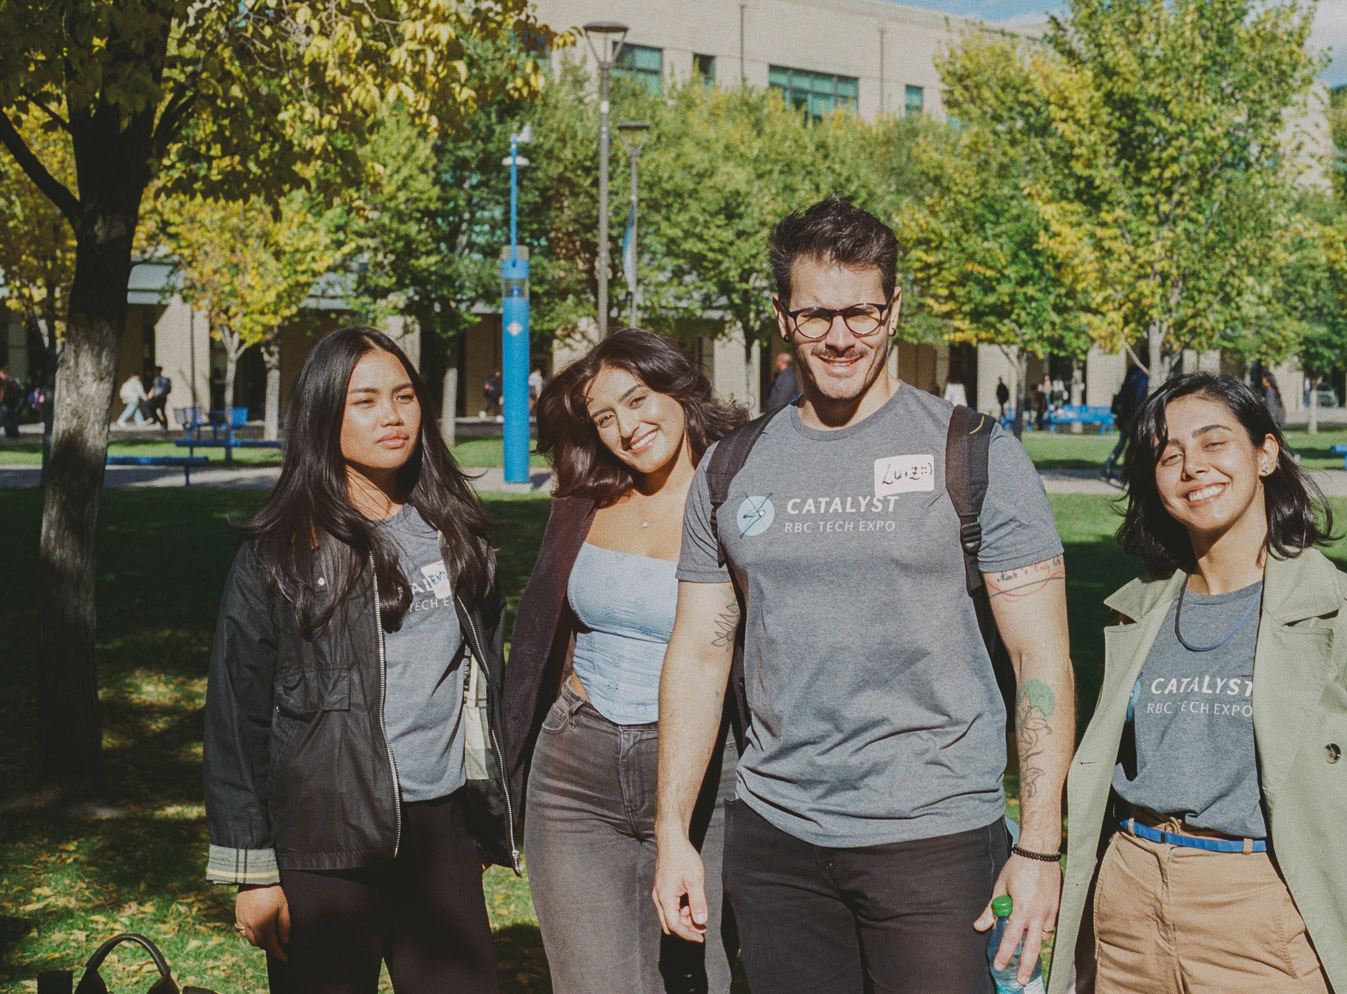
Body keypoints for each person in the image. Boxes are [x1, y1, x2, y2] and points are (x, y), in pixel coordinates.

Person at [652, 196, 1075, 994]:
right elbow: (700, 655)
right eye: (816, 316)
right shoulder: (731, 467)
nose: (840, 336)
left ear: (895, 309)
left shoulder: (975, 453)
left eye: (861, 312)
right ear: (782, 316)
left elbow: (1040, 655)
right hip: (778, 838)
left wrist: (1041, 845)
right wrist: (672, 832)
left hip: (936, 837)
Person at [1048, 372, 1347, 994]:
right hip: (1127, 900)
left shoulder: (1345, 618)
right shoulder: (1134, 613)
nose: (1193, 467)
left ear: (1266, 453)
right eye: (1169, 455)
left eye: (1215, 443)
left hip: (1259, 908)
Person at [203, 326, 518, 994]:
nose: (394, 416)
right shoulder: (282, 548)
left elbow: (481, 681)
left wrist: (486, 815)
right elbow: (237, 714)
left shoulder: (453, 529)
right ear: (324, 416)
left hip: (441, 830)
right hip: (326, 836)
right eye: (366, 401)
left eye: (404, 396)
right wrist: (253, 871)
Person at [504, 329, 744, 994]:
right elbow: (540, 631)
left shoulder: (740, 499)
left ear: (678, 388)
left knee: (706, 980)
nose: (626, 429)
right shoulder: (586, 498)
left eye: (637, 401)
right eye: (604, 418)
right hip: (576, 770)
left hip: (710, 776)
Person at [1103, 364, 1149, 481]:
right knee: (1135, 447)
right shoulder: (1141, 379)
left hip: (1125, 419)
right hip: (1134, 418)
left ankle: (1109, 467)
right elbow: (1141, 399)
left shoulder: (1127, 383)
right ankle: (1128, 473)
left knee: (1122, 444)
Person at [146, 365, 172, 430]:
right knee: (152, 408)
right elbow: (154, 388)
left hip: (161, 398)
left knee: (162, 411)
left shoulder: (162, 379)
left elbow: (163, 388)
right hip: (156, 397)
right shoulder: (156, 379)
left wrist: (157, 394)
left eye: (156, 370)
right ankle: (162, 423)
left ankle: (164, 425)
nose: (155, 372)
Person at [0, 364, 20, 439]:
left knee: (7, 417)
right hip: (11, 402)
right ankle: (13, 432)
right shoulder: (10, 380)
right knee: (11, 417)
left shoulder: (7, 381)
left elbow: (4, 392)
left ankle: (11, 432)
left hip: (7, 402)